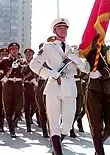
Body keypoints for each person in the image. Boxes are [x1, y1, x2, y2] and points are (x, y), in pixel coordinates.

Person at [30, 18, 90, 155]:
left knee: (68, 124)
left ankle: (55, 147)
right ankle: (58, 151)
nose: (63, 30)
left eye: (65, 28)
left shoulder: (73, 50)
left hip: (70, 87)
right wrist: (50, 73)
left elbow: (86, 69)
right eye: (60, 28)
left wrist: (76, 59)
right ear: (55, 30)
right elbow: (33, 64)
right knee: (54, 123)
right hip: (53, 88)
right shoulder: (48, 47)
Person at [81, 34, 110, 155]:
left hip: (109, 92)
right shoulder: (88, 54)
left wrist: (101, 73)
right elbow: (81, 70)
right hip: (93, 91)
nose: (98, 41)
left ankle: (98, 146)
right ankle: (99, 151)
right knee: (96, 127)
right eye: (96, 39)